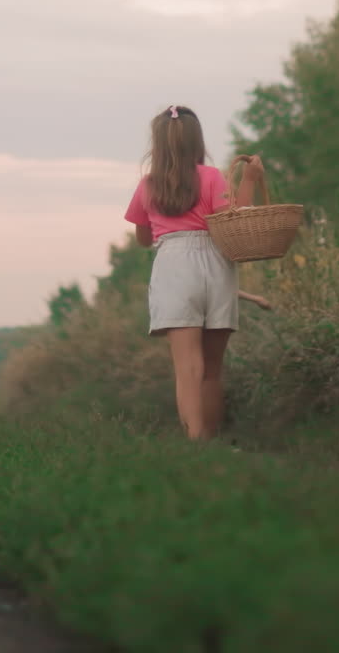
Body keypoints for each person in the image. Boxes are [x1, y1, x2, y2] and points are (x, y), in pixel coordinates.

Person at [124, 104, 266, 441]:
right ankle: (212, 440)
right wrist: (249, 180)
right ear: (197, 140)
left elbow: (143, 239)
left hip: (173, 266)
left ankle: (195, 442)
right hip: (216, 264)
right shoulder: (213, 177)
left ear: (158, 144)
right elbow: (234, 224)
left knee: (188, 369)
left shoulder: (148, 185)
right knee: (212, 371)